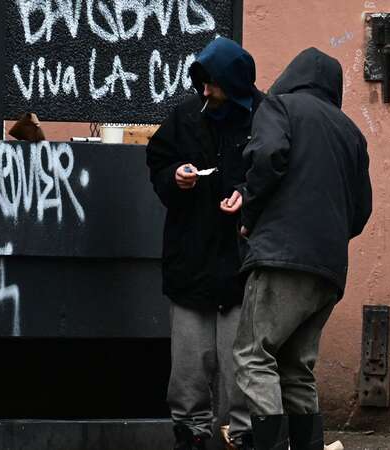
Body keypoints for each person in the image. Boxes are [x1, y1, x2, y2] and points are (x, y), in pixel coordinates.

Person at [233, 47, 372, 450]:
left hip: (281, 256)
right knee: (296, 367)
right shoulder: (351, 132)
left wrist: (250, 213)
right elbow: (361, 211)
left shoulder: (280, 106)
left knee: (254, 355)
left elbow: (267, 156)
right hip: (328, 269)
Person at [146, 37, 265, 450]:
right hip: (191, 258)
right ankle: (191, 434)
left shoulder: (266, 118)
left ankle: (242, 435)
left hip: (242, 261)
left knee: (241, 364)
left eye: (213, 83)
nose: (205, 91)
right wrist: (175, 176)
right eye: (202, 82)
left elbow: (280, 173)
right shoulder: (184, 117)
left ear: (234, 83)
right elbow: (158, 162)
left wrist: (247, 198)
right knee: (189, 364)